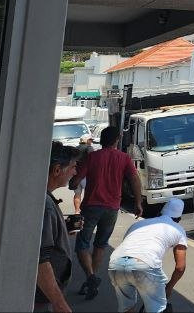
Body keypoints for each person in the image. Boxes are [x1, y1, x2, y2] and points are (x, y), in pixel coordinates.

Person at [69, 126, 142, 300]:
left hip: (91, 206)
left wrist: (73, 182)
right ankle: (90, 280)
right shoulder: (124, 158)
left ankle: (91, 277)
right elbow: (134, 179)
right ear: (116, 140)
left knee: (82, 244)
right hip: (112, 208)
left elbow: (75, 183)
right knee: (101, 245)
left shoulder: (92, 157)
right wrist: (138, 202)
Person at [108, 199, 188, 313]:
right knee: (157, 309)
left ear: (160, 213)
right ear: (178, 219)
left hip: (116, 262)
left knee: (126, 308)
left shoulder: (139, 224)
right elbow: (180, 267)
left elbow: (128, 249)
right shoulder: (177, 229)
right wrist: (169, 287)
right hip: (145, 263)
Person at [38, 142, 80, 313]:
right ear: (57, 170)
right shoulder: (46, 205)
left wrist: (64, 228)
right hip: (41, 298)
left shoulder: (45, 198)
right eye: (72, 167)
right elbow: (40, 260)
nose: (75, 172)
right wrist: (59, 304)